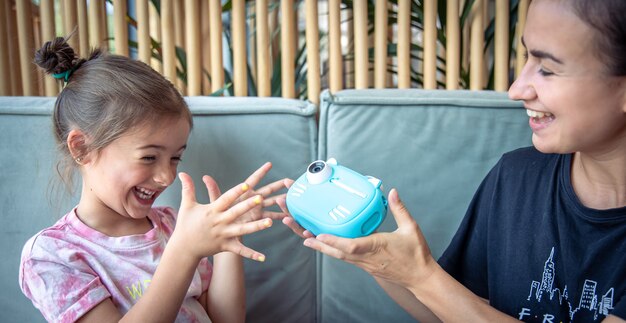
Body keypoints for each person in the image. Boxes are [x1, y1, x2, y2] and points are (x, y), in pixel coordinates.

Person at [279, 0, 626, 321]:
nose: (517, 88)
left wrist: (424, 275)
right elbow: (451, 311)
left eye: (547, 69)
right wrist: (375, 257)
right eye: (526, 59)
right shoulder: (516, 177)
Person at [19, 37, 290, 322]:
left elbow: (225, 319)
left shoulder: (173, 225)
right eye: (149, 157)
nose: (166, 177)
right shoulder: (54, 255)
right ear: (82, 148)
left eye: (175, 158)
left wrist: (226, 240)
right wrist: (184, 251)